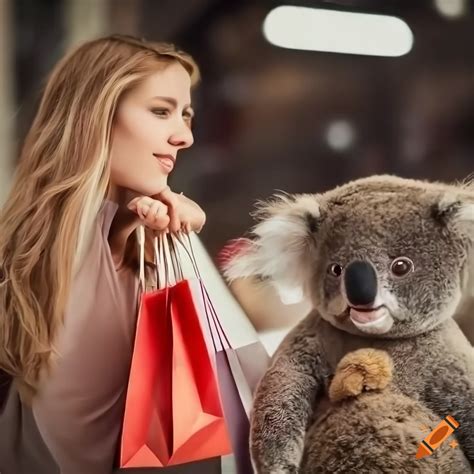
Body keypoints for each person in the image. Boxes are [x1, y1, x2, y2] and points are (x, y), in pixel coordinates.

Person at [0, 34, 206, 474]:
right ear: (97, 113)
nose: (184, 135)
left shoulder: (148, 249)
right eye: (160, 110)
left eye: (185, 115)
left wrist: (182, 240)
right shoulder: (23, 258)